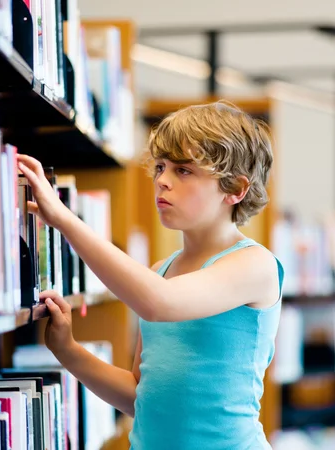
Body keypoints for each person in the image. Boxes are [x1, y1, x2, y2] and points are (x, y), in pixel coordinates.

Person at [17, 100, 284, 450]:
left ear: (236, 189)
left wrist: (65, 220)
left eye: (184, 170)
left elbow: (160, 302)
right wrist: (67, 349)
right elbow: (142, 398)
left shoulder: (255, 265)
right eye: (160, 167)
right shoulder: (161, 271)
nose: (162, 182)